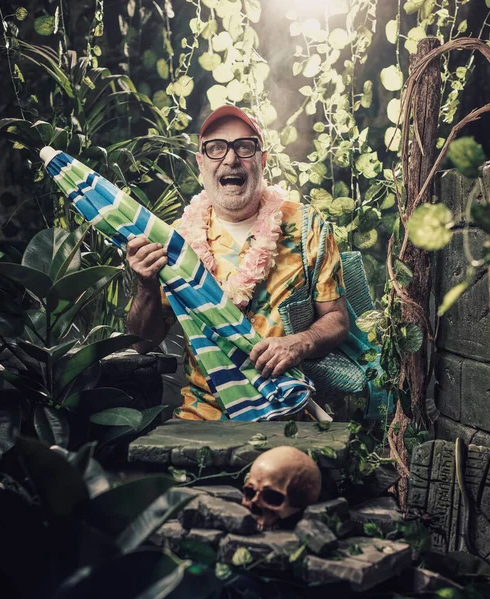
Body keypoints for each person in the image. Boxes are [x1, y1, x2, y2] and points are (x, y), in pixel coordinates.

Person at [126, 105, 349, 420]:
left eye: (244, 147)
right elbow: (144, 343)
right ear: (201, 163)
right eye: (216, 148)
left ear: (263, 160)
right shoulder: (177, 241)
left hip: (288, 409)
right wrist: (146, 285)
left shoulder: (305, 227)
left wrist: (298, 344)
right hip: (203, 414)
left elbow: (337, 320)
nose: (230, 159)